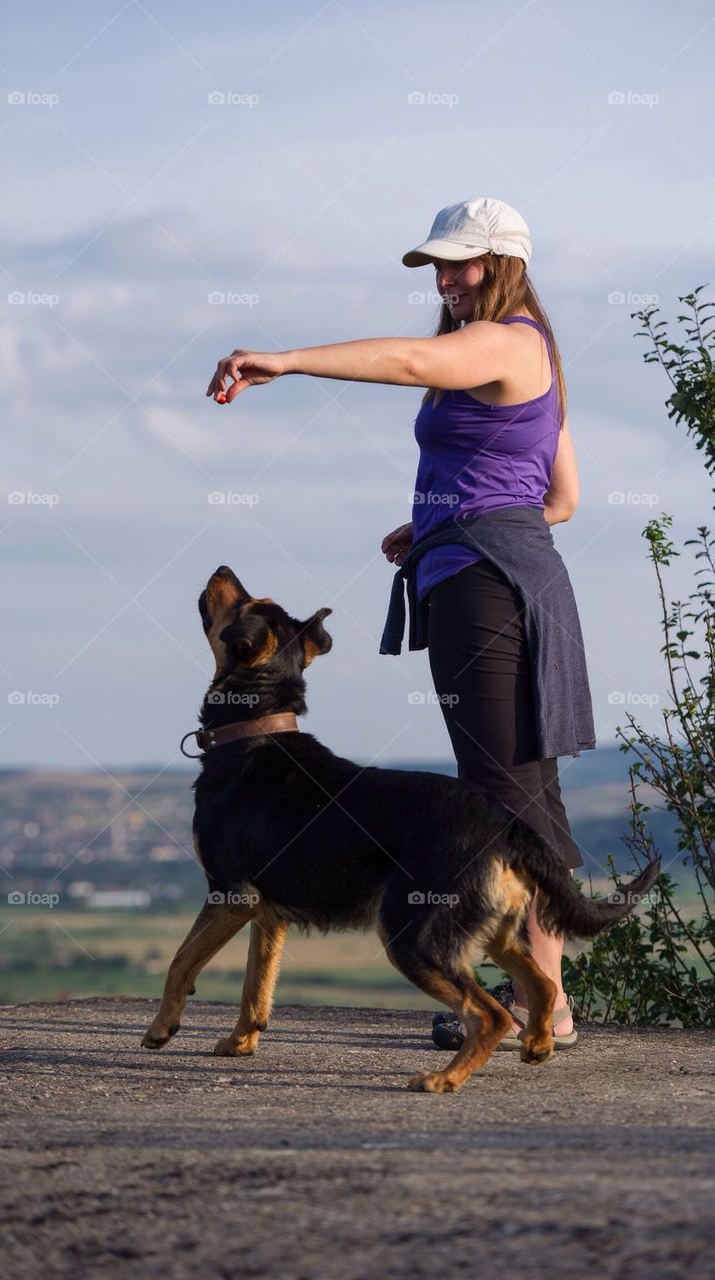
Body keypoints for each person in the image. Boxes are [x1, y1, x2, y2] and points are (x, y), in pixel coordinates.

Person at [207, 195, 595, 1050]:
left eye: (463, 262)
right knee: (520, 789)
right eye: (439, 265)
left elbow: (413, 359)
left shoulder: (503, 339)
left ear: (505, 262)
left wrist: (290, 360)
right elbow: (558, 499)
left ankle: (542, 1007)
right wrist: (439, 523)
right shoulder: (540, 355)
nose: (448, 278)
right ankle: (544, 1001)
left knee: (499, 795)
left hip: (486, 590)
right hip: (511, 575)